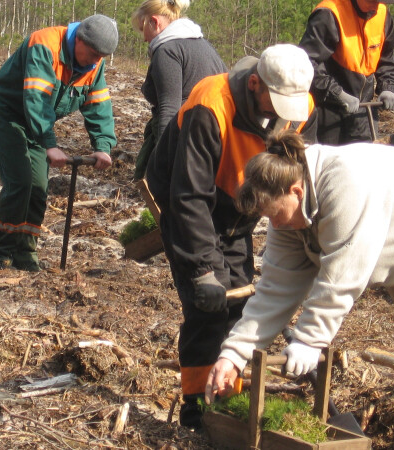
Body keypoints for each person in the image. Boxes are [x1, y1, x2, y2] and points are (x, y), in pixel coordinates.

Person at [204, 130, 394, 449]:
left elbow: (344, 272)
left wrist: (310, 340)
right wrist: (234, 354)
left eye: (275, 215)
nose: (275, 225)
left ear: (296, 190)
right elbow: (275, 288)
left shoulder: (347, 182)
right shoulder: (289, 213)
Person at [144, 43, 318, 430]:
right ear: (255, 84)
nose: (282, 117)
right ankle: (195, 405)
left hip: (239, 209)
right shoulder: (211, 103)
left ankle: (227, 396)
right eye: (274, 105)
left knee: (239, 303)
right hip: (186, 202)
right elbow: (188, 196)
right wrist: (203, 270)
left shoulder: (295, 107)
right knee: (207, 306)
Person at [0, 14, 119, 272]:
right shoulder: (45, 44)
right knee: (20, 182)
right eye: (92, 54)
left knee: (38, 187)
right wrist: (49, 143)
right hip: (12, 115)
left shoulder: (94, 64)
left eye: (101, 57)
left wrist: (102, 145)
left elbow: (99, 104)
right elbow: (36, 99)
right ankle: (0, 252)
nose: (96, 62)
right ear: (78, 39)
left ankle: (25, 253)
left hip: (40, 122)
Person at [130, 0, 226, 180]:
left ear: (154, 22)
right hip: (213, 138)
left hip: (186, 137)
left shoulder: (167, 50)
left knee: (156, 192)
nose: (144, 38)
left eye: (143, 29)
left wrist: (167, 161)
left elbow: (169, 108)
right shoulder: (204, 46)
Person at [299, 0, 394, 144]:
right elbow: (307, 63)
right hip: (329, 111)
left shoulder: (382, 13)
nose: (377, 5)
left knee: (364, 161)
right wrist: (337, 93)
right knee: (331, 162)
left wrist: (388, 88)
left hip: (364, 111)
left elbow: (387, 58)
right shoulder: (329, 13)